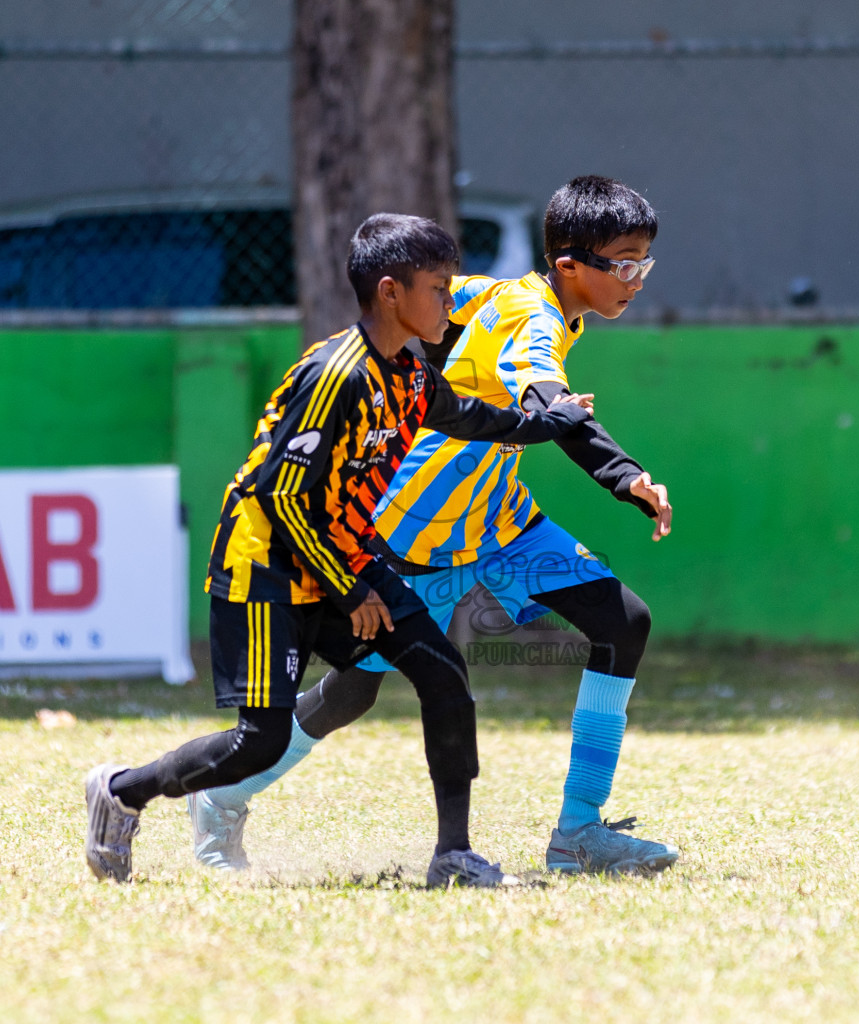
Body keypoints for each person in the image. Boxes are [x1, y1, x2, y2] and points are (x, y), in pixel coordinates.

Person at [83, 212, 594, 888]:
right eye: (439, 289)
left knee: (443, 674)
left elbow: (472, 418)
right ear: (390, 292)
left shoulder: (410, 376)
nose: (451, 301)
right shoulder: (335, 376)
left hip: (345, 559)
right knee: (257, 741)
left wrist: (547, 423)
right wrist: (350, 592)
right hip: (267, 566)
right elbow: (283, 499)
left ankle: (454, 856)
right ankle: (122, 790)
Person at [189, 175, 678, 876]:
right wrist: (622, 473)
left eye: (644, 261)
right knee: (354, 689)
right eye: (624, 262)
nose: (636, 278)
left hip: (500, 522)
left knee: (622, 621)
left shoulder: (499, 291)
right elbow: (547, 396)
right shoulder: (536, 319)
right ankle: (223, 796)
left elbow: (445, 311)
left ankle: (578, 831)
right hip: (422, 531)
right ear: (570, 265)